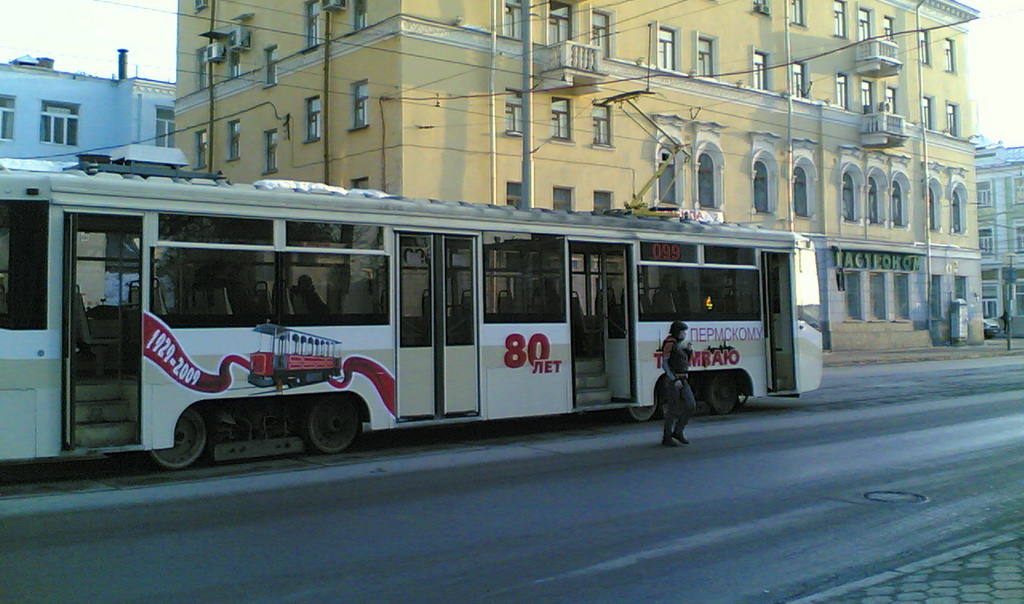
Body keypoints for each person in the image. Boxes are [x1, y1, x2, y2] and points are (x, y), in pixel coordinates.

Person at [660, 320, 696, 447]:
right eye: (683, 331)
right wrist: (674, 379)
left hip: (683, 379)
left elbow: (685, 362)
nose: (684, 334)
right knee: (672, 408)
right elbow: (664, 363)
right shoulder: (670, 343)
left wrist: (689, 352)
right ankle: (667, 436)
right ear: (677, 332)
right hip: (673, 381)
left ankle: (678, 431)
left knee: (691, 405)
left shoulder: (680, 345)